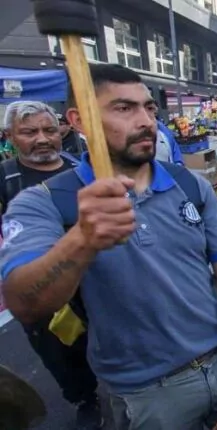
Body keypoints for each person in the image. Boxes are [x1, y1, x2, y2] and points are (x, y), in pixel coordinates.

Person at [0, 64, 217, 430]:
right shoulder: (45, 201)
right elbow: (25, 303)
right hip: (145, 394)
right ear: (79, 121)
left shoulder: (190, 184)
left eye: (149, 107)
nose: (146, 121)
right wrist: (81, 240)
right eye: (123, 108)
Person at [0, 101, 100, 429]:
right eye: (29, 132)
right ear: (10, 137)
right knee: (59, 353)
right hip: (42, 284)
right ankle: (85, 399)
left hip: (92, 279)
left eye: (49, 130)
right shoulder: (6, 178)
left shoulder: (80, 168)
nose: (42, 139)